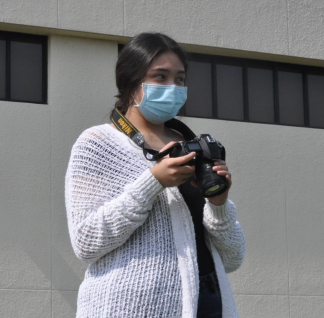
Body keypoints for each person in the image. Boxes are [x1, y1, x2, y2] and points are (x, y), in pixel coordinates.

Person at [65, 32, 245, 318]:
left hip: (209, 300)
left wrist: (219, 204)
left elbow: (233, 258)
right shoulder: (96, 143)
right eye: (160, 77)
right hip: (130, 307)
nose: (172, 87)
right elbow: (86, 243)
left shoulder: (192, 147)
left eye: (180, 79)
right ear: (130, 82)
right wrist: (154, 182)